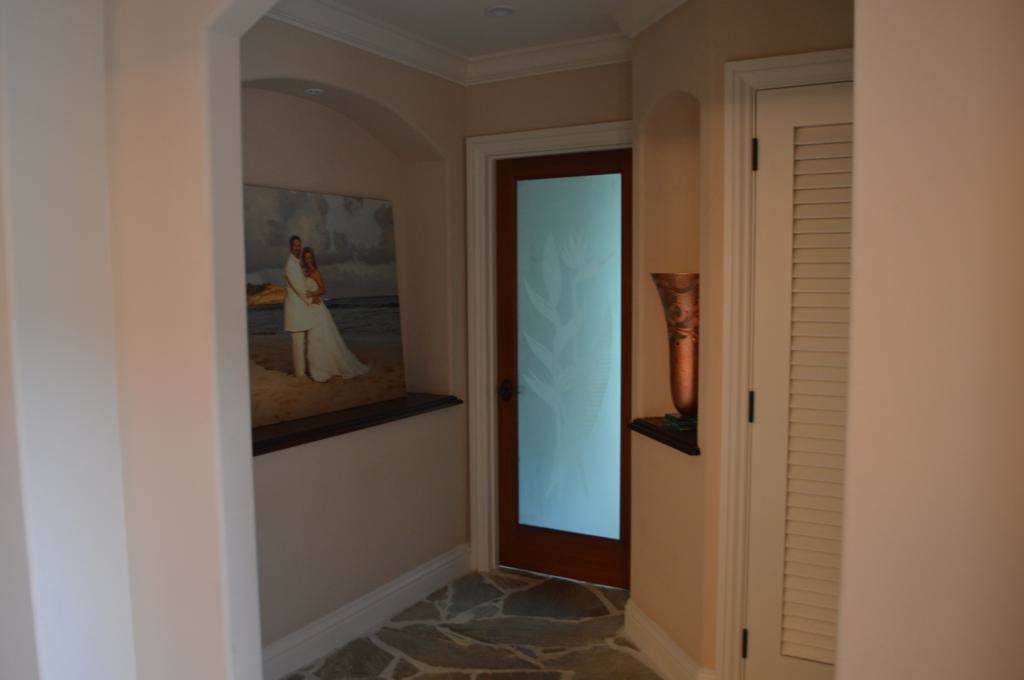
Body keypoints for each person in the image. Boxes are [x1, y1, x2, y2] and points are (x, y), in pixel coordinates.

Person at [301, 247, 370, 382]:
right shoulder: (305, 273)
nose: (308, 260)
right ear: (304, 259)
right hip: (310, 309)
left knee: (321, 338)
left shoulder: (316, 272)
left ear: (312, 258)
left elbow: (323, 289)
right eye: (306, 258)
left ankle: (324, 369)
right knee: (313, 339)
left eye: (310, 257)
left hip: (318, 309)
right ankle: (317, 369)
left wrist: (313, 294)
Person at [283, 235, 315, 377]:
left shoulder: (296, 263)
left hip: (300, 311)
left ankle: (301, 371)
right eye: (295, 245)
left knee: (301, 344)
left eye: (299, 245)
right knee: (298, 345)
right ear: (290, 247)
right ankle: (300, 374)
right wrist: (312, 300)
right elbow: (299, 288)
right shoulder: (290, 265)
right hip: (296, 312)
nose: (298, 248)